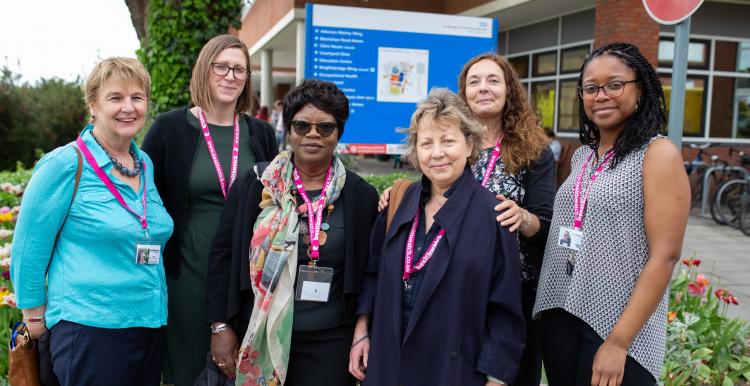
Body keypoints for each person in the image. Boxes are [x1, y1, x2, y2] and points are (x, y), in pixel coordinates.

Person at [378, 53, 556, 386]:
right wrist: (399, 196)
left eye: (493, 80)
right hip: (446, 275)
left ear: (509, 90)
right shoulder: (450, 138)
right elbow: (430, 187)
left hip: (509, 282)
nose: (483, 88)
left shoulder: (534, 151)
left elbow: (546, 224)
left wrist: (521, 217)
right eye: (474, 81)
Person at [533, 42, 690, 385]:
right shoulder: (583, 156)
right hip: (562, 309)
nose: (601, 95)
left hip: (618, 323)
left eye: (615, 84)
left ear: (640, 90)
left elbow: (665, 256)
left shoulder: (657, 154)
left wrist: (618, 342)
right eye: (591, 88)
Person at [10, 57, 174, 385]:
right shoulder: (65, 164)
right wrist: (34, 316)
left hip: (148, 322)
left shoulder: (144, 164)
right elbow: (29, 246)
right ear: (93, 105)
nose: (128, 107)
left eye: (137, 97)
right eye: (116, 98)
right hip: (90, 328)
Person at [206, 79, 379, 385]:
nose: (313, 134)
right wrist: (220, 325)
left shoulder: (360, 195)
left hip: (330, 344)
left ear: (338, 133)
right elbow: (222, 255)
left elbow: (370, 270)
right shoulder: (256, 184)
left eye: (325, 127)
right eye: (302, 126)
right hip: (259, 332)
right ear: (288, 129)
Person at [350, 88, 525, 386]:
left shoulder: (494, 216)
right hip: (388, 364)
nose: (437, 153)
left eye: (448, 141)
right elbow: (373, 272)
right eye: (426, 143)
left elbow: (506, 310)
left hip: (452, 371)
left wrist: (496, 378)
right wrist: (361, 330)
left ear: (470, 145)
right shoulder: (399, 202)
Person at [141, 34, 278, 386]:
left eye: (240, 70)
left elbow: (279, 198)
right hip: (187, 275)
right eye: (222, 66)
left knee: (242, 374)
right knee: (186, 373)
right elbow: (141, 197)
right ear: (205, 70)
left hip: (245, 277)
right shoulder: (169, 129)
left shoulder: (260, 133)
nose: (230, 76)